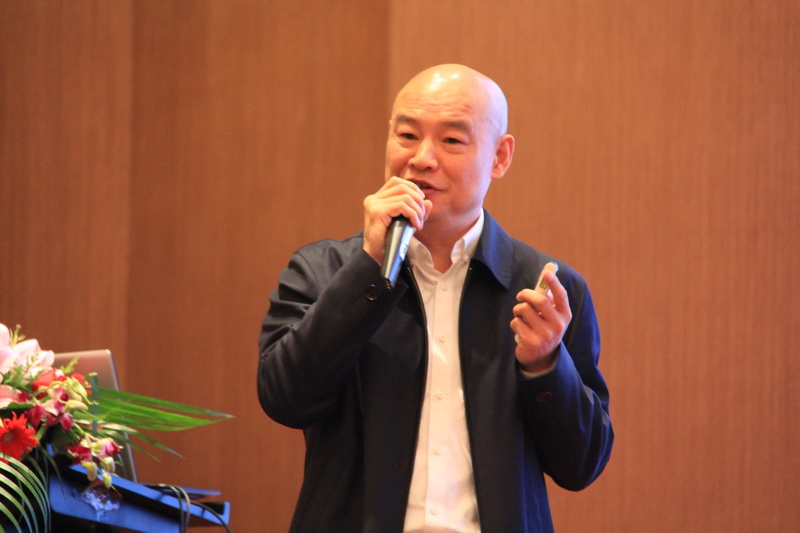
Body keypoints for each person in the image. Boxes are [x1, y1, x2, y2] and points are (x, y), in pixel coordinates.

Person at [258, 64, 613, 533]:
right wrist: (368, 269)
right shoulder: (322, 270)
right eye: (407, 135)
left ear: (500, 156)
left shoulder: (547, 290)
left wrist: (546, 365)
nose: (422, 158)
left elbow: (581, 464)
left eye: (451, 140)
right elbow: (285, 399)